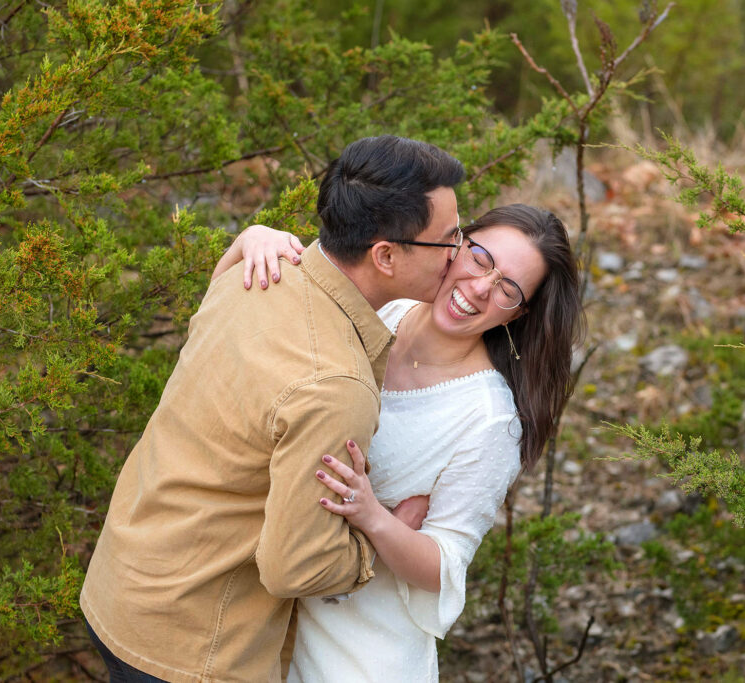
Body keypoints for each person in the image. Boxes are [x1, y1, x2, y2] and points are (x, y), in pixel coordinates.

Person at [79, 135, 466, 682]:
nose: (460, 254)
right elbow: (298, 566)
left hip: (121, 585)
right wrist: (378, 544)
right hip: (195, 643)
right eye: (448, 240)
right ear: (385, 254)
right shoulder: (334, 383)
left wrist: (251, 234)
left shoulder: (259, 271)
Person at [218, 203, 583, 681]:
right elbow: (236, 323)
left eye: (508, 289)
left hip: (361, 649)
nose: (479, 288)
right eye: (479, 258)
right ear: (455, 243)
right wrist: (254, 238)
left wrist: (373, 518)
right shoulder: (386, 306)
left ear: (520, 312)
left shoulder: (490, 418)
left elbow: (446, 566)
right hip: (262, 616)